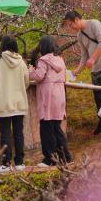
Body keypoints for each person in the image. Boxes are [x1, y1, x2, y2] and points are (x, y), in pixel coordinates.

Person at [65, 11, 101, 135]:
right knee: (99, 98)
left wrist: (93, 58)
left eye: (70, 24)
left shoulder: (94, 24)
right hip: (96, 70)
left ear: (76, 20)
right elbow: (84, 55)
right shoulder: (80, 36)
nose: (70, 28)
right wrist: (77, 71)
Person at [0, 35, 29, 172]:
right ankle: (19, 163)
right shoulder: (21, 62)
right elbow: (26, 81)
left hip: (4, 102)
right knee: (18, 133)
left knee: (5, 133)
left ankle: (6, 163)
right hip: (19, 102)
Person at [29, 36, 72, 167]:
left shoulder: (43, 60)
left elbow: (38, 76)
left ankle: (50, 159)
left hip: (48, 96)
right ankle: (65, 157)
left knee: (46, 128)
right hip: (59, 95)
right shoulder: (60, 60)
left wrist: (30, 70)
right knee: (56, 127)